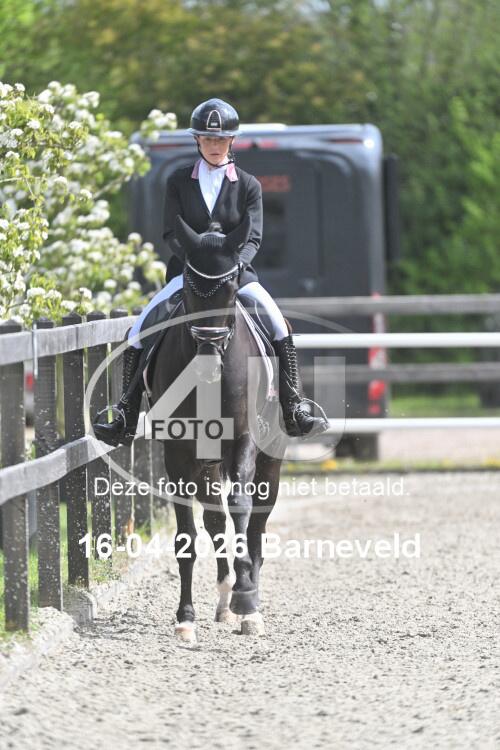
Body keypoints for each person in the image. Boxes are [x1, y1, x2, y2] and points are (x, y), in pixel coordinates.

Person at [93, 98, 328, 446]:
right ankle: (125, 411)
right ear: (197, 141)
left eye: (220, 139)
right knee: (139, 330)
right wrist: (197, 263)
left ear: (231, 141)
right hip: (188, 273)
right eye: (208, 139)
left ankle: (294, 406)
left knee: (278, 325)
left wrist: (232, 265)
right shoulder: (178, 181)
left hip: (236, 275)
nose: (215, 145)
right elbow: (171, 233)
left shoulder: (248, 185)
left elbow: (254, 237)